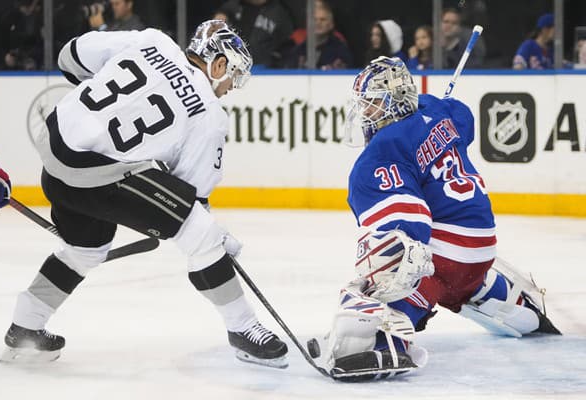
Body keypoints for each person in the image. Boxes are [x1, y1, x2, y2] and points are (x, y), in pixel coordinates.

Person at [0, 20, 288, 368]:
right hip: (93, 174)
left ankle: (26, 325)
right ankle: (244, 328)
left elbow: (70, 56)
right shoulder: (210, 113)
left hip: (54, 148)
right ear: (219, 64)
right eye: (233, 77)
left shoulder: (153, 40)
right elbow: (192, 198)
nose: (229, 88)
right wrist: (214, 241)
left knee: (85, 250)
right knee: (200, 233)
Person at [320, 56, 560, 381]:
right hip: (482, 249)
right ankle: (505, 299)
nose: (366, 113)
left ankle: (393, 334)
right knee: (455, 276)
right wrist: (436, 114)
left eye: (373, 104)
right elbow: (465, 118)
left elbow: (408, 224)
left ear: (394, 102)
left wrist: (388, 272)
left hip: (450, 257)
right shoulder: (439, 110)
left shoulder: (383, 150)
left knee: (383, 261)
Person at [214, 0, 294, 67]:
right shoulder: (234, 5)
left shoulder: (280, 12)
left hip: (264, 69)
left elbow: (288, 44)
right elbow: (217, 22)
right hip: (232, 65)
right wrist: (219, 19)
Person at [285, 0, 352, 70]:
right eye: (314, 19)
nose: (318, 23)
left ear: (331, 24)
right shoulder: (298, 51)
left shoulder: (341, 51)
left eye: (323, 19)